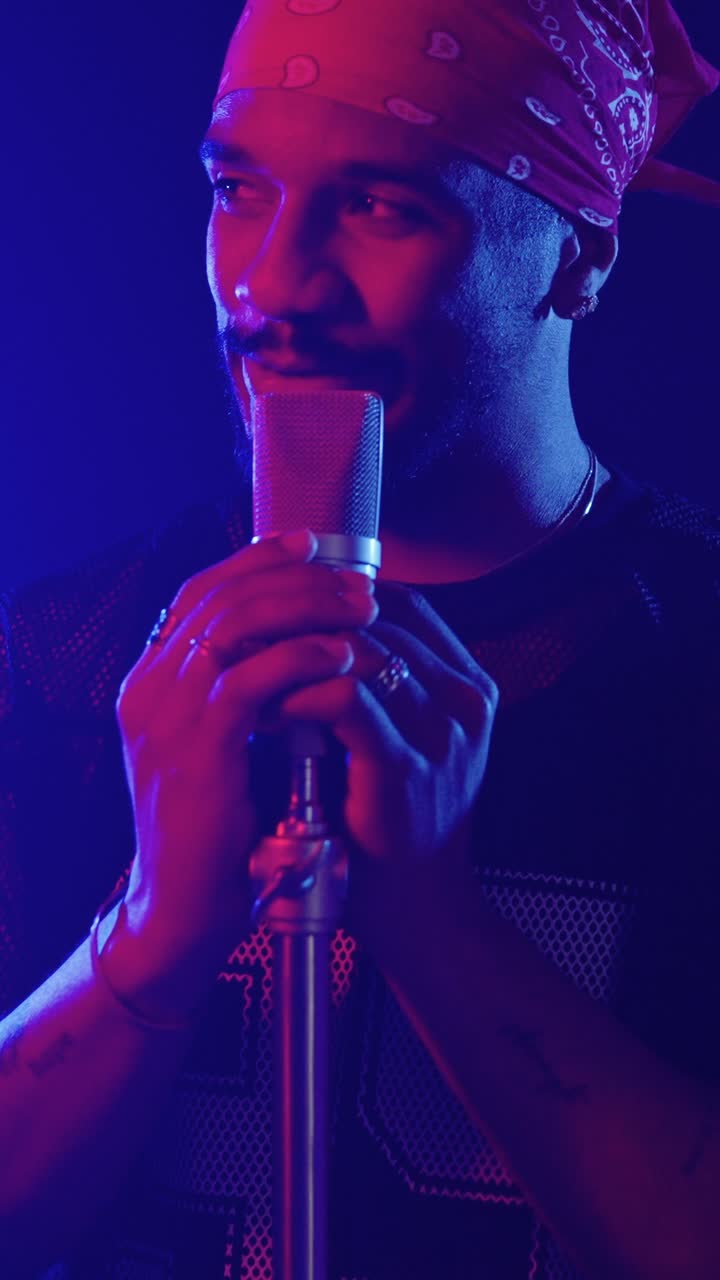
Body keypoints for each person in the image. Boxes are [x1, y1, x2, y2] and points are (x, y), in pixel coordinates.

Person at [1, 1, 720, 1276]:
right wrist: (157, 925)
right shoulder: (64, 654)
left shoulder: (689, 661)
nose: (270, 283)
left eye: (382, 205)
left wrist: (436, 923)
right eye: (238, 189)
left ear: (577, 258)